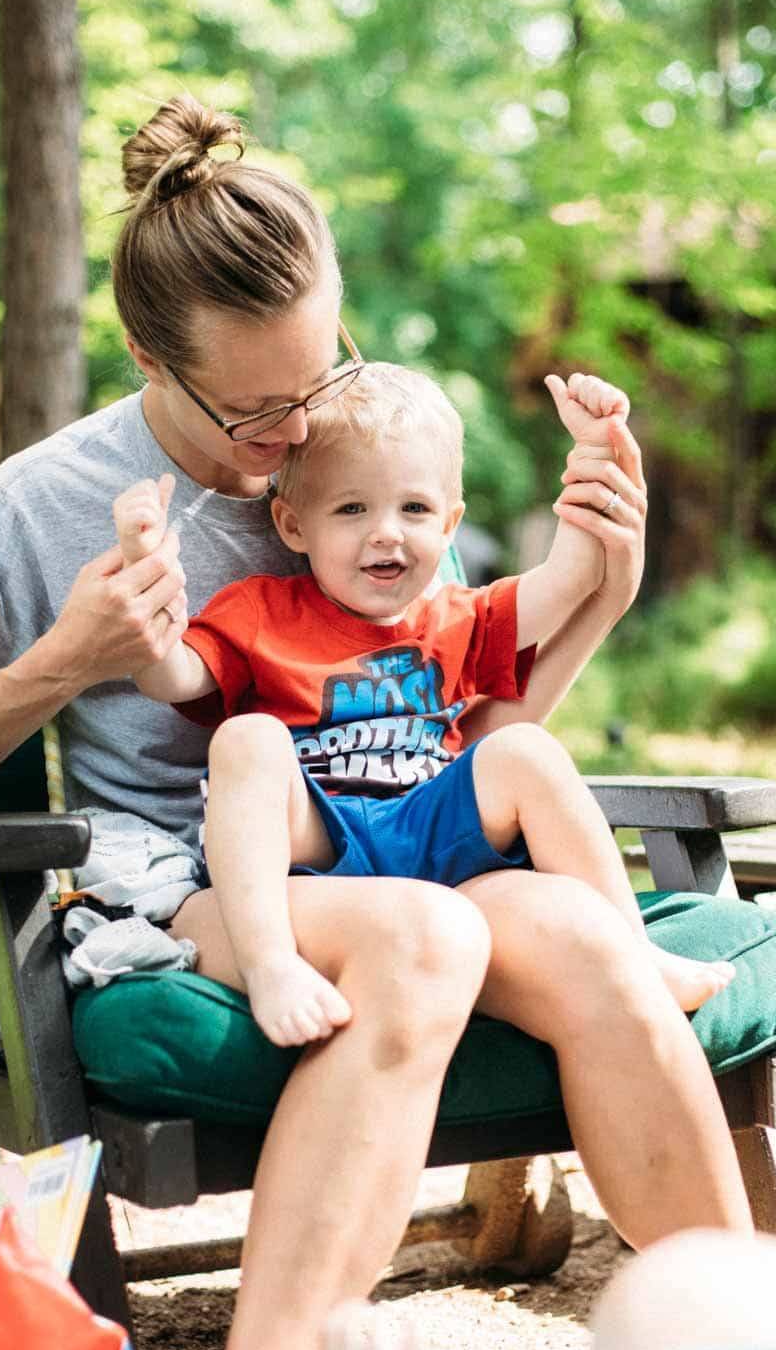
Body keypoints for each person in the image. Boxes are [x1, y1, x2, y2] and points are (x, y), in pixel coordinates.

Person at [0, 97, 755, 1350]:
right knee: (420, 937)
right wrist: (65, 658)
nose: (295, 440)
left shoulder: (366, 449)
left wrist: (604, 586)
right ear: (151, 368)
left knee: (586, 937)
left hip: (404, 847)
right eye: (253, 418)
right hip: (196, 884)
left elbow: (461, 723)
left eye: (318, 378)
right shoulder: (41, 502)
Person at [112, 362, 735, 1048]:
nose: (386, 533)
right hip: (318, 838)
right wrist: (146, 589)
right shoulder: (261, 612)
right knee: (247, 739)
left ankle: (631, 949)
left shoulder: (457, 614)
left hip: (430, 820)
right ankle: (270, 966)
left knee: (523, 751)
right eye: (351, 509)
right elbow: (168, 678)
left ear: (451, 522)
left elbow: (572, 578)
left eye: (414, 509)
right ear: (293, 525)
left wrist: (594, 451)